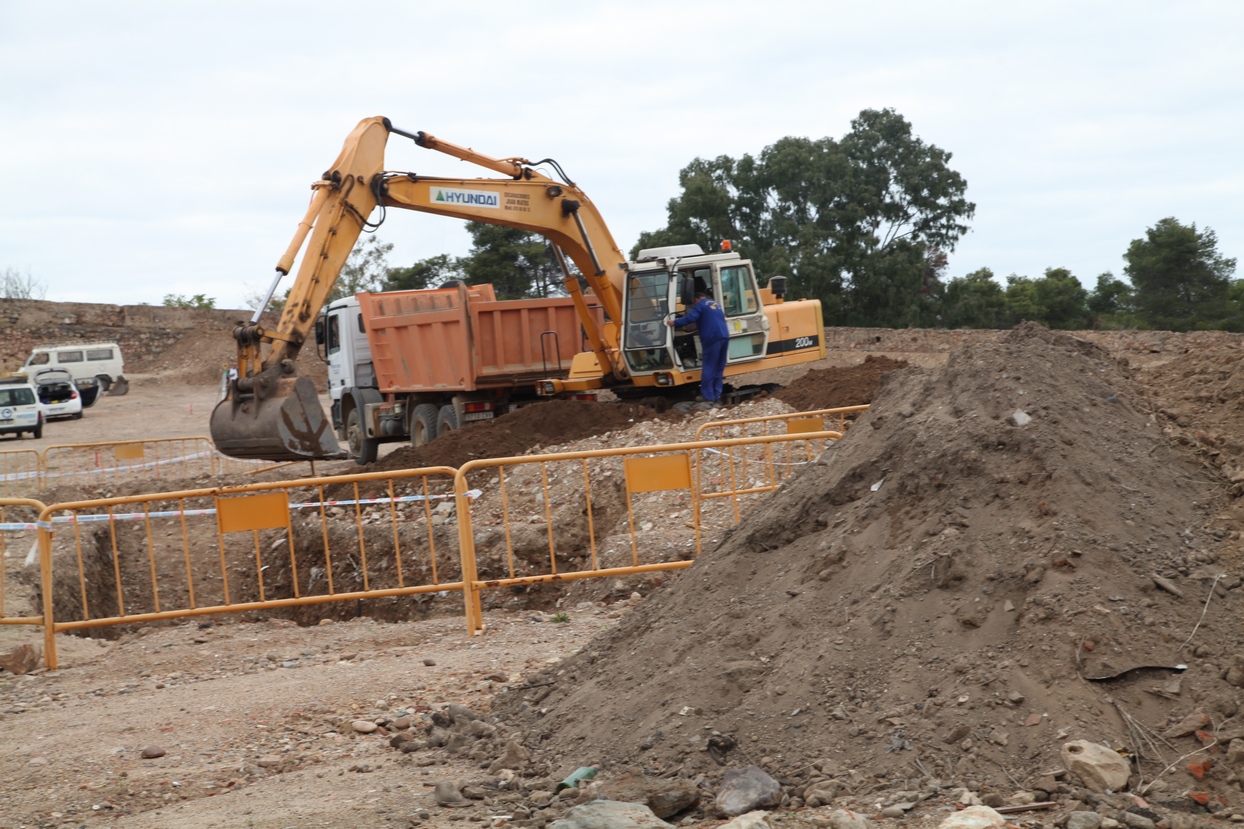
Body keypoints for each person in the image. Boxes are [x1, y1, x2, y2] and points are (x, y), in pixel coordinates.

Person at [668, 290, 729, 403]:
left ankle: (708, 396)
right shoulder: (715, 304)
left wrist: (674, 323)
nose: (692, 306)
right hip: (724, 336)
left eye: (692, 304)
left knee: (709, 367)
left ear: (696, 299)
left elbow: (690, 319)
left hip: (712, 338)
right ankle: (716, 394)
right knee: (719, 367)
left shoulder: (700, 305)